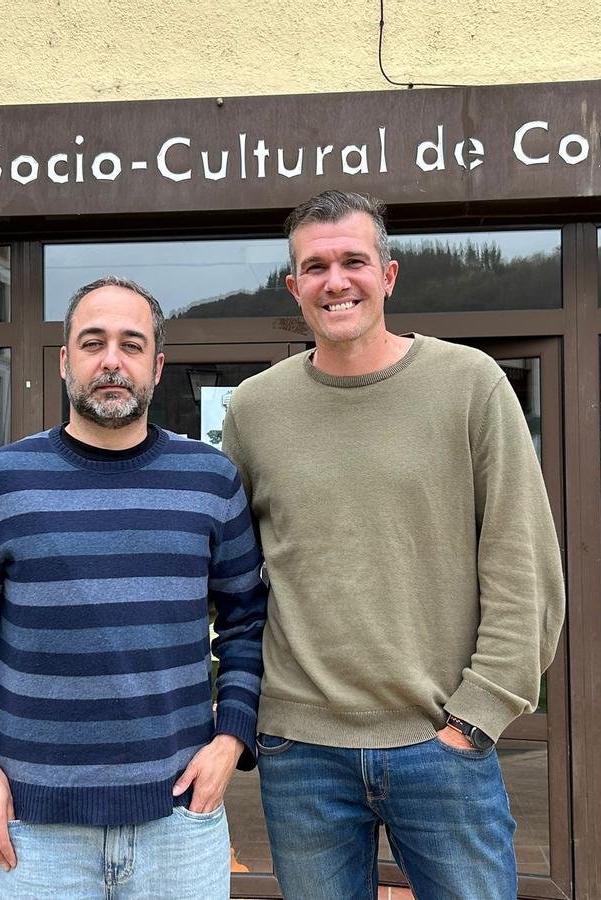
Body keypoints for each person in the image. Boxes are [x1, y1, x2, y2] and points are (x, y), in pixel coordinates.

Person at [221, 191, 565, 900]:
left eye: (354, 261)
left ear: (390, 274)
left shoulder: (470, 385)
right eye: (315, 266)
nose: (335, 281)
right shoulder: (255, 409)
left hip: (439, 741)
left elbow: (521, 562)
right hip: (300, 749)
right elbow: (233, 578)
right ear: (294, 286)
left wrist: (480, 714)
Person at [0, 275, 267, 899]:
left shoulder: (211, 481)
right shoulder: (0, 485)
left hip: (178, 824)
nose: (111, 360)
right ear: (64, 361)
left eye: (132, 345)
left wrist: (230, 740)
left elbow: (247, 622)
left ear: (157, 367)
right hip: (36, 833)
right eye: (93, 341)